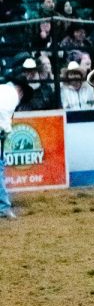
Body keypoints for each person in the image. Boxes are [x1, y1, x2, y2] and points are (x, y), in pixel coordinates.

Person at [0, 75, 30, 218]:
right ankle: (3, 207)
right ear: (21, 91)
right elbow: (3, 113)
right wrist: (7, 130)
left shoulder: (3, 89)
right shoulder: (12, 96)